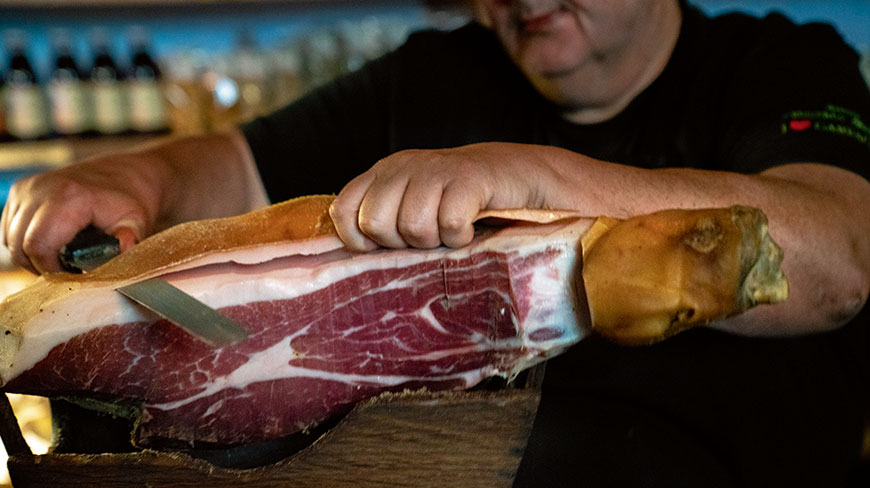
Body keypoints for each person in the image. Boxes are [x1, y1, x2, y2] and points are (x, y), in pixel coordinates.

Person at [2, 0, 869, 485]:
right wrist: (136, 180)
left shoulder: (778, 62)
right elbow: (228, 166)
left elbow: (839, 259)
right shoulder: (433, 74)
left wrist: (535, 180)